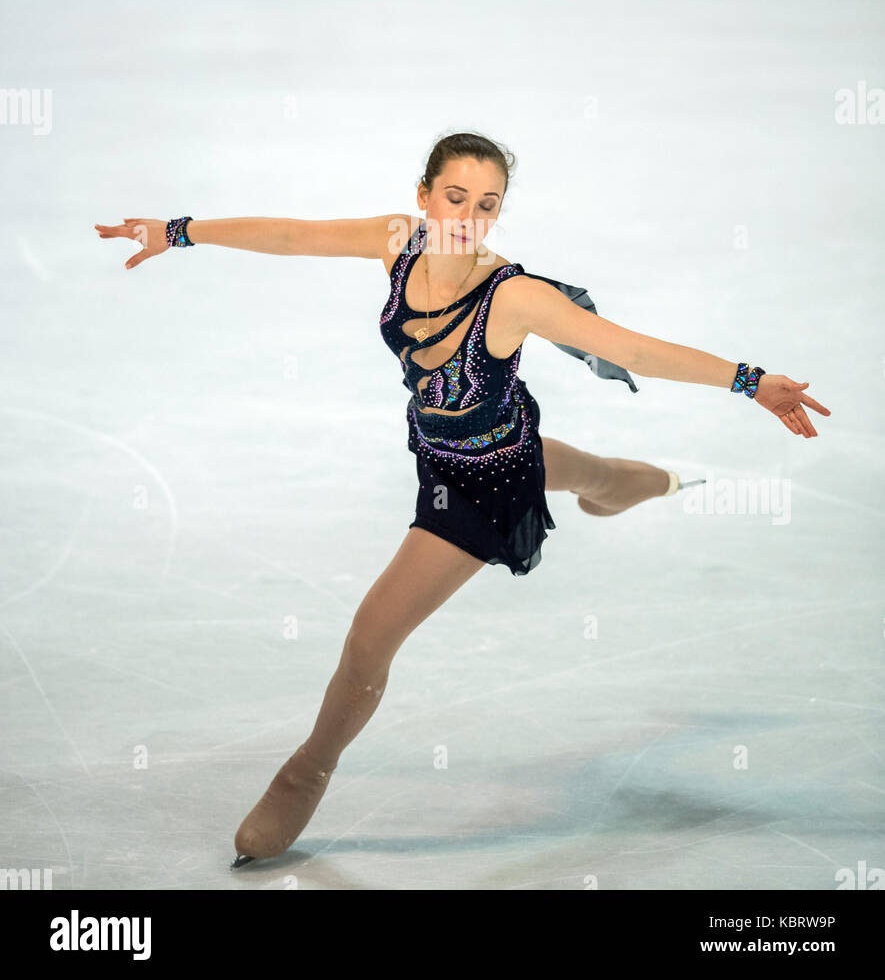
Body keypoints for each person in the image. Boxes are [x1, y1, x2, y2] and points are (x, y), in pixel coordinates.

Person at [93, 130, 830, 867]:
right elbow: (291, 234)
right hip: (460, 445)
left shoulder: (512, 295)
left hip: (483, 487)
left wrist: (747, 378)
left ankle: (306, 770)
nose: (466, 217)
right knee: (587, 474)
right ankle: (636, 482)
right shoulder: (398, 241)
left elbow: (629, 349)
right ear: (423, 196)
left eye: (486, 205)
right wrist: (180, 232)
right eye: (454, 197)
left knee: (368, 638)